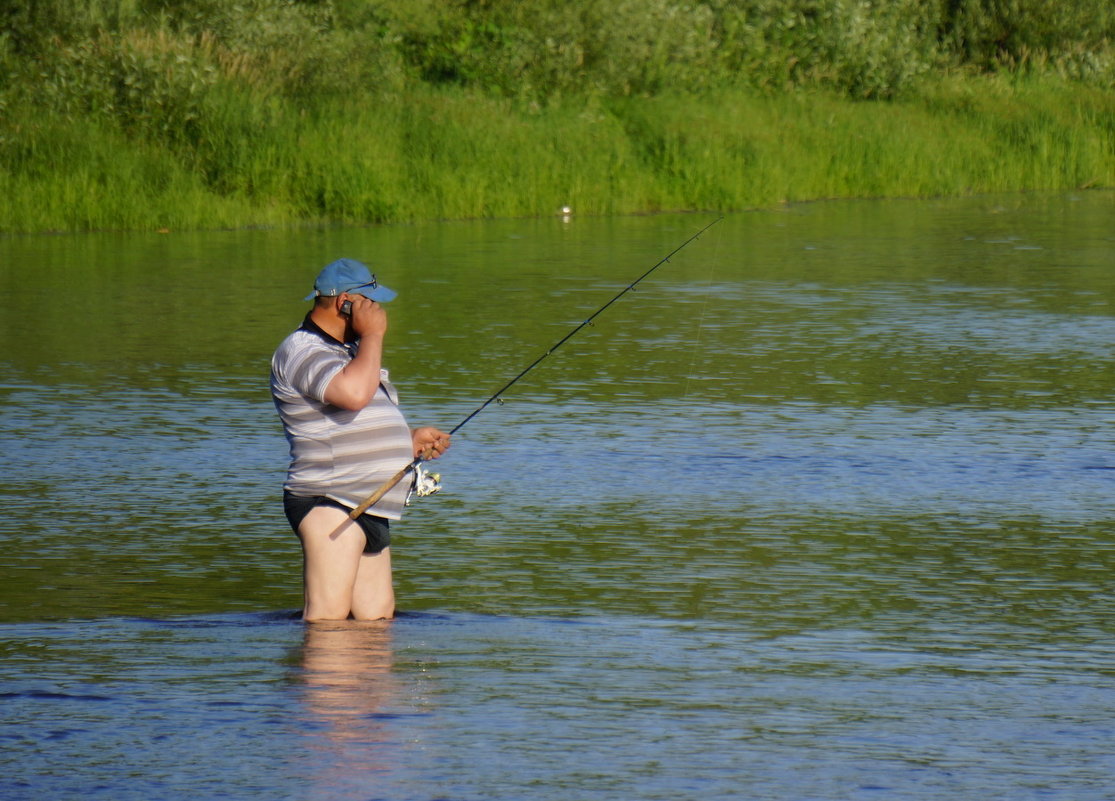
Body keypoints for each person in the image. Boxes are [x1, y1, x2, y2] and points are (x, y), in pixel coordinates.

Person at [271, 258, 450, 621]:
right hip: (329, 499)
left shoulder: (348, 352)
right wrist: (373, 335)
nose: (379, 312)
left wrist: (407, 440)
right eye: (371, 303)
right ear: (346, 303)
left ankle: (362, 681)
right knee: (329, 619)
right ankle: (321, 680)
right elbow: (352, 394)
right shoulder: (301, 349)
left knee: (376, 618)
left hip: (371, 502)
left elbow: (357, 412)